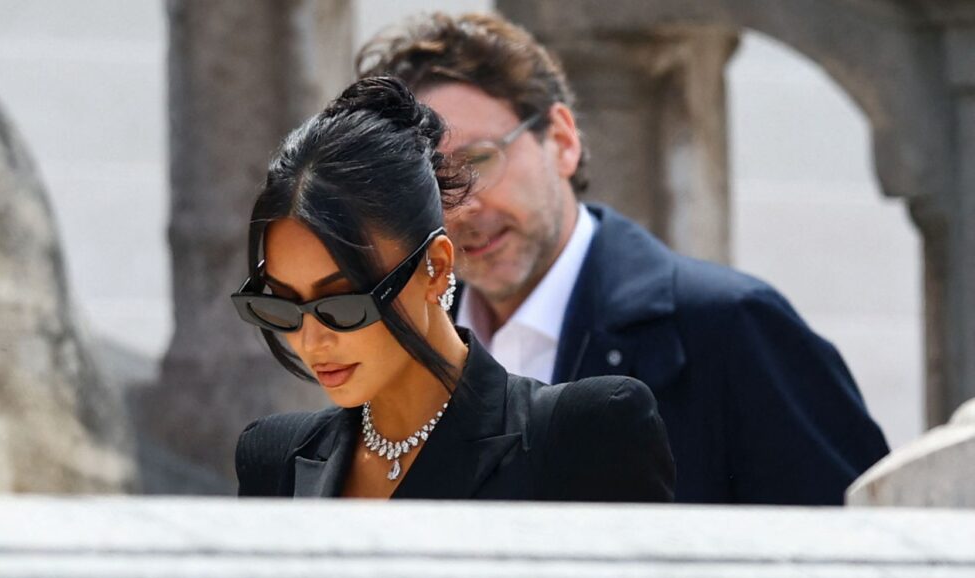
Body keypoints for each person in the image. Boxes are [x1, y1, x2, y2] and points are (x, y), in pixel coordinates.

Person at [356, 13, 890, 505]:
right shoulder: (401, 346)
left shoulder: (732, 326)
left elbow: (858, 552)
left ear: (562, 140)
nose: (463, 206)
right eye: (430, 183)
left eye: (479, 159)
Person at [231, 76, 674, 501]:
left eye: (343, 306)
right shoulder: (275, 458)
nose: (311, 341)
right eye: (283, 306)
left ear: (437, 268)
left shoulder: (585, 434)